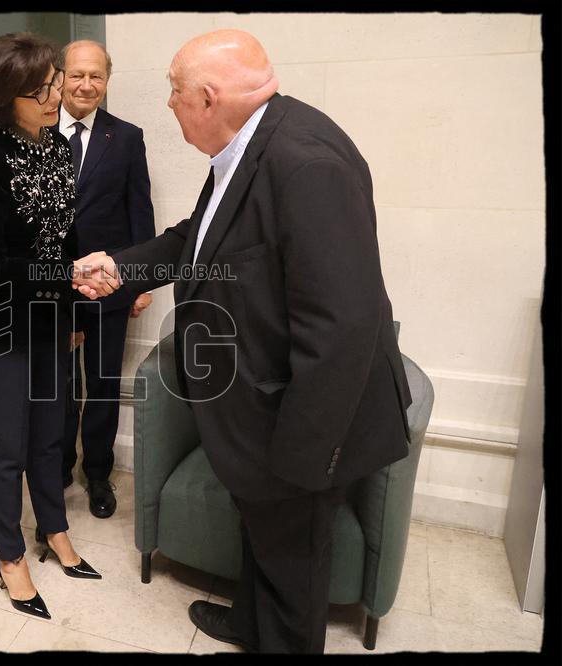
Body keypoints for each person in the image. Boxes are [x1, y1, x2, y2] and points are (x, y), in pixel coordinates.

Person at [73, 29, 412, 653]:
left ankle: (276, 637)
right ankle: (250, 622)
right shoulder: (248, 145)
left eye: (174, 93)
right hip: (259, 410)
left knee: (292, 561)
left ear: (207, 97)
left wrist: (301, 462)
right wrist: (124, 267)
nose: (169, 105)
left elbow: (342, 328)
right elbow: (196, 237)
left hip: (301, 424)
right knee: (264, 538)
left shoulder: (305, 163)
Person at [0, 32, 102, 621]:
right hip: (1, 319)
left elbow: (64, 235)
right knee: (7, 443)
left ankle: (54, 527)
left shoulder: (55, 148)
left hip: (52, 314)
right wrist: (63, 271)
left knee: (51, 429)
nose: (54, 95)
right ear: (3, 96)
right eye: (38, 89)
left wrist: (74, 295)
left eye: (53, 83)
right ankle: (9, 552)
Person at [56, 40, 156, 518]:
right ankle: (56, 466)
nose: (86, 85)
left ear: (107, 80)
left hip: (109, 287)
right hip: (50, 288)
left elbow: (141, 213)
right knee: (54, 384)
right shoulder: (34, 134)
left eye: (95, 76)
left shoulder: (127, 137)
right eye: (77, 75)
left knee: (100, 384)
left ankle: (98, 473)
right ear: (60, 77)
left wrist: (139, 283)